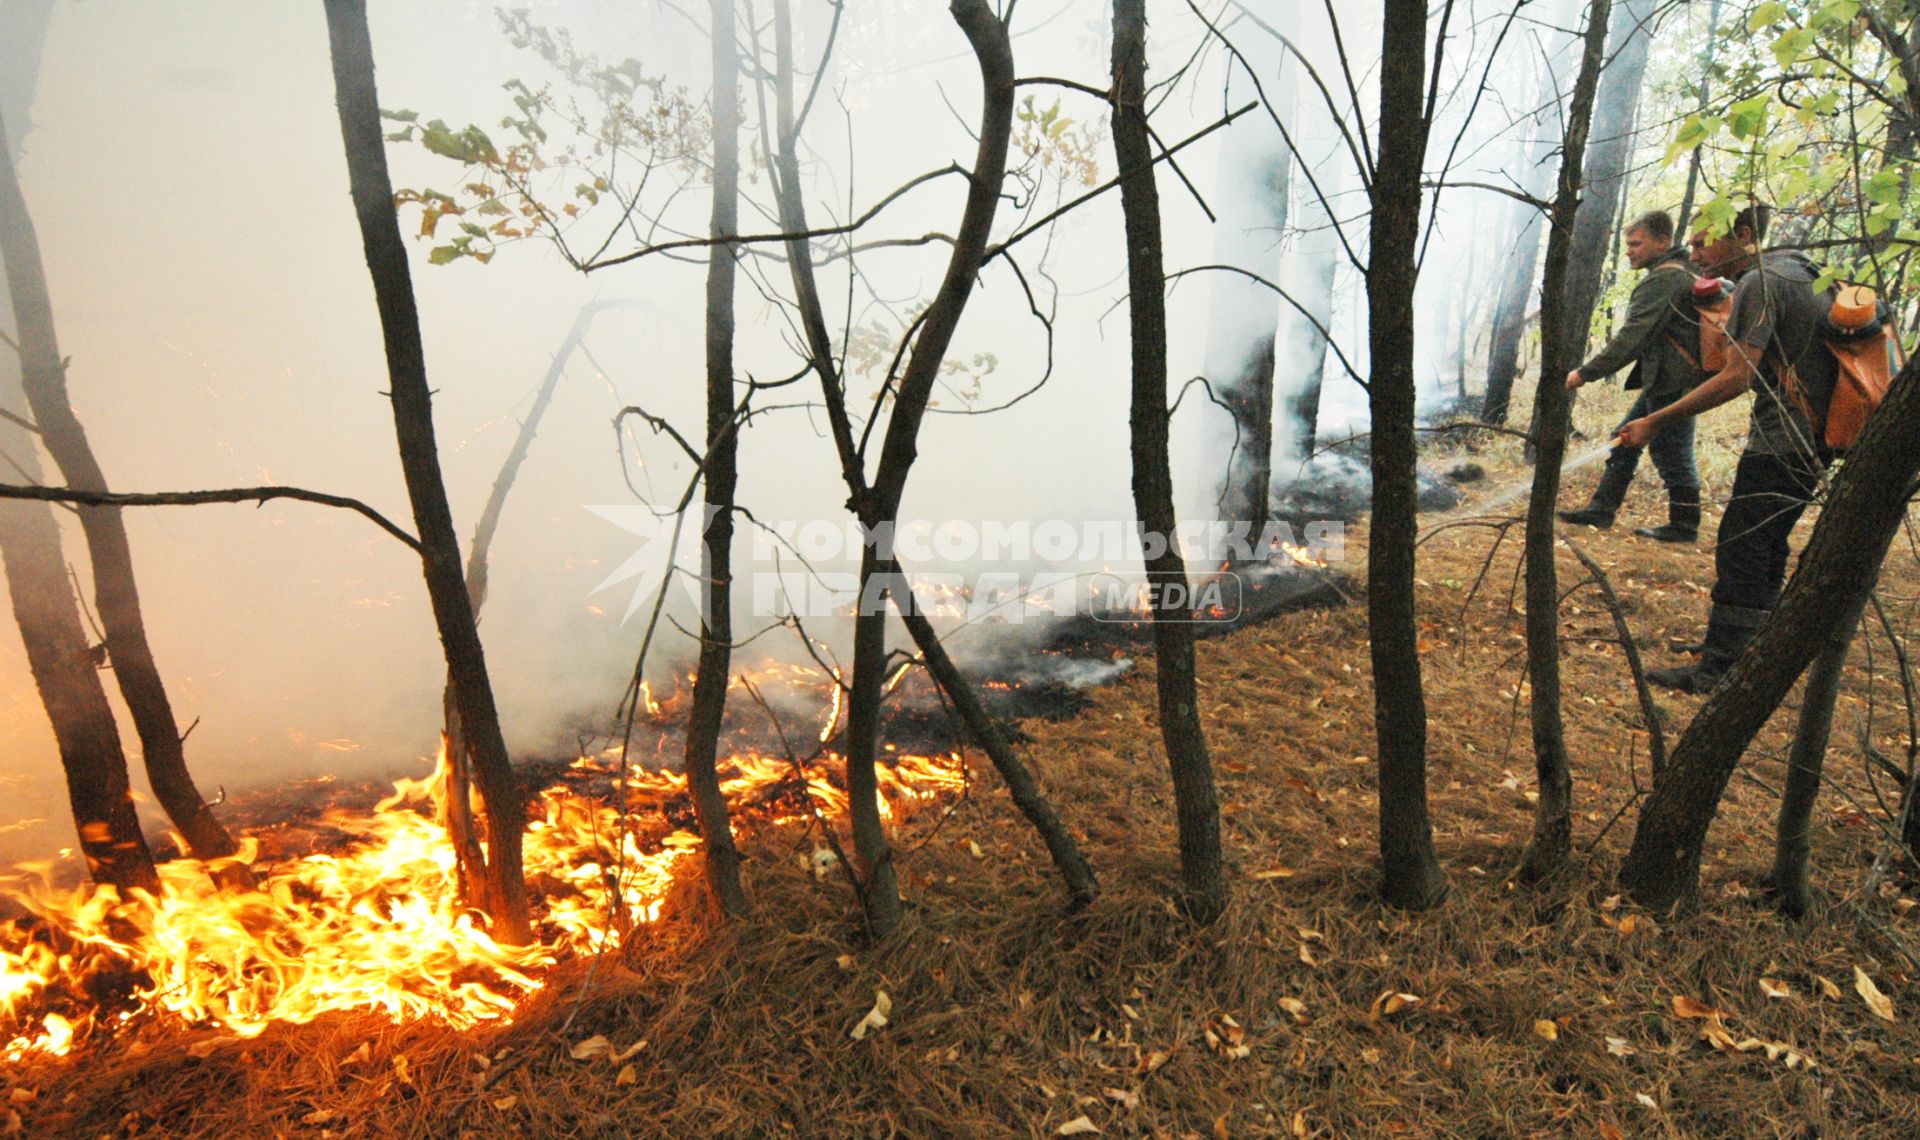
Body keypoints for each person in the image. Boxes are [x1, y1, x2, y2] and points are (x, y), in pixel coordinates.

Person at [1617, 204, 1835, 693]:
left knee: (1742, 546)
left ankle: (1719, 669)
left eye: (1701, 244)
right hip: (1812, 439)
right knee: (1764, 546)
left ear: (1741, 235)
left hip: (1785, 440)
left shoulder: (1762, 281)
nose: (1694, 254)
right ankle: (1743, 647)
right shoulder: (1799, 270)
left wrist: (1655, 419)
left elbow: (1736, 377)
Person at [1559, 210, 1705, 542]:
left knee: (1672, 452)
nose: (1629, 251)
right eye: (1628, 244)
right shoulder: (1682, 273)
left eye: (1637, 243)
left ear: (1663, 241)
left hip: (1674, 381)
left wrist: (1584, 373)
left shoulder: (1666, 279)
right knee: (1624, 439)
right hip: (1671, 379)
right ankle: (1601, 510)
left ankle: (1684, 526)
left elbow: (1632, 338)